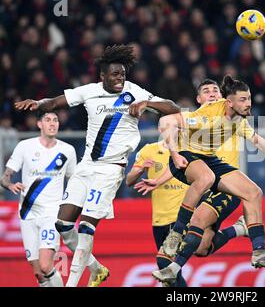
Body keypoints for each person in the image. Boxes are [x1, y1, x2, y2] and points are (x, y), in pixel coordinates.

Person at [14, 44, 180, 287]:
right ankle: (96, 268)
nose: (120, 79)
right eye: (115, 74)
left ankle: (71, 285)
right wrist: (37, 103)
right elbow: (54, 102)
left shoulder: (135, 92)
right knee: (63, 224)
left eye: (123, 74)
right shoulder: (89, 91)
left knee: (86, 228)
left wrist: (147, 104)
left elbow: (173, 108)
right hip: (86, 167)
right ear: (102, 75)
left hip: (111, 169)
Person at [151, 75, 265, 283]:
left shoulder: (238, 119)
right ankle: (176, 234)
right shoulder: (207, 115)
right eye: (243, 100)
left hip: (209, 161)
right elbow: (166, 120)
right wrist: (175, 154)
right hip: (187, 158)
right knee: (205, 181)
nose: (249, 104)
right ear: (229, 102)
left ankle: (259, 251)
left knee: (253, 192)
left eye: (249, 99)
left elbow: (256, 139)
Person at [127, 79, 248, 286]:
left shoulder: (234, 120)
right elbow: (182, 162)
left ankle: (239, 229)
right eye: (206, 91)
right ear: (198, 99)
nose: (212, 94)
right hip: (163, 217)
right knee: (200, 249)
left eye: (215, 91)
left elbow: (254, 135)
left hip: (213, 194)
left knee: (166, 262)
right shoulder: (191, 129)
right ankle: (237, 230)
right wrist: (158, 180)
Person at [0, 112, 77, 287]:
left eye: (55, 120)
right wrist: (10, 185)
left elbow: (74, 181)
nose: (52, 124)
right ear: (39, 124)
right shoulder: (24, 146)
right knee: (39, 273)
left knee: (45, 264)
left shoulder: (67, 150)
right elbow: (5, 177)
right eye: (48, 120)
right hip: (27, 213)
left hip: (52, 214)